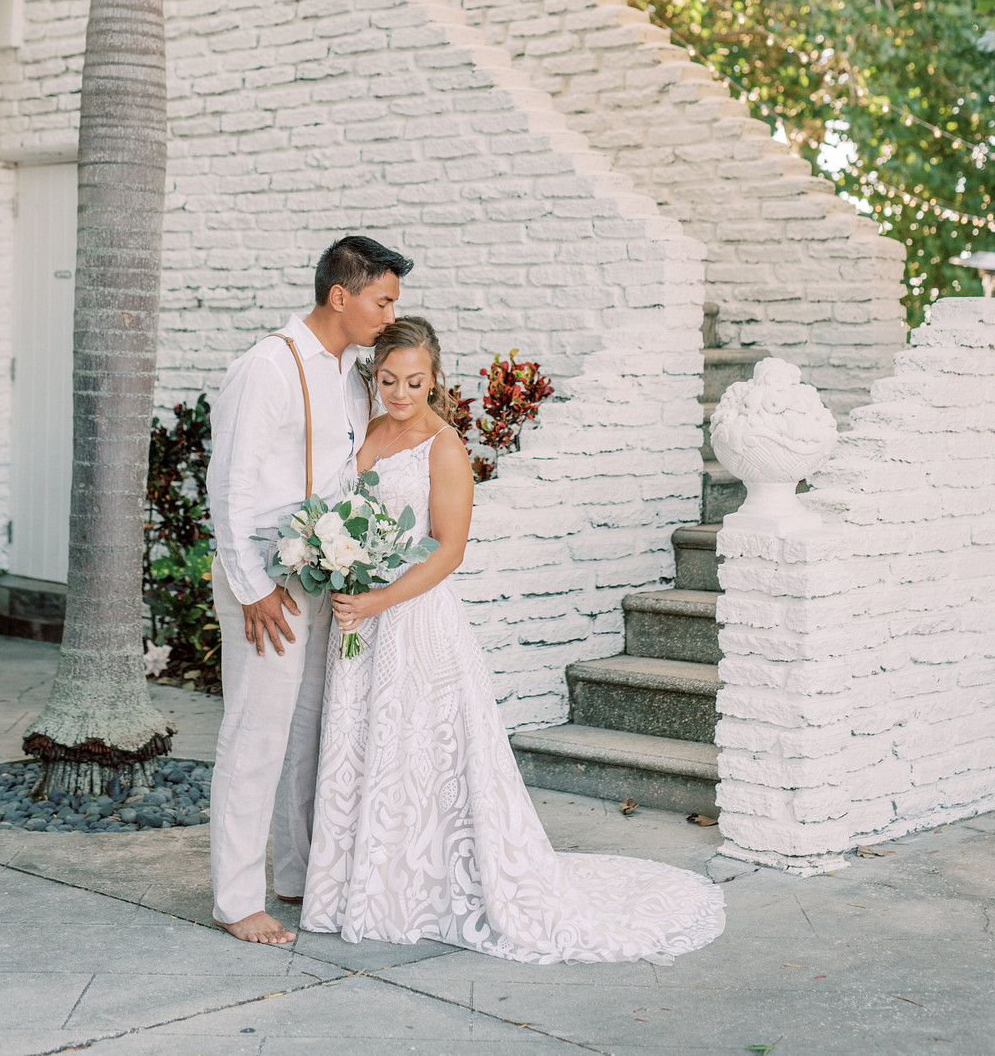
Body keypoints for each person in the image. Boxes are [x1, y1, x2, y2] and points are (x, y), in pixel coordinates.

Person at [300, 316, 726, 963]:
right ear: (374, 375)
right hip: (359, 618)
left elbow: (450, 552)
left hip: (412, 620)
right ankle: (363, 888)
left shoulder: (443, 447)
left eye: (414, 381)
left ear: (434, 379)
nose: (400, 392)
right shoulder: (370, 433)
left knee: (421, 753)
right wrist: (341, 570)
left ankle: (422, 890)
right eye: (388, 379)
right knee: (366, 746)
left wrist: (377, 599)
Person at [207, 235, 413, 945]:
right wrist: (252, 586)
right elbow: (229, 483)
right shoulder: (267, 366)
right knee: (255, 734)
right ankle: (235, 901)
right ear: (340, 296)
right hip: (266, 579)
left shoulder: (353, 372)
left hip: (324, 573)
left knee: (307, 734)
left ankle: (295, 874)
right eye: (382, 300)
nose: (390, 314)